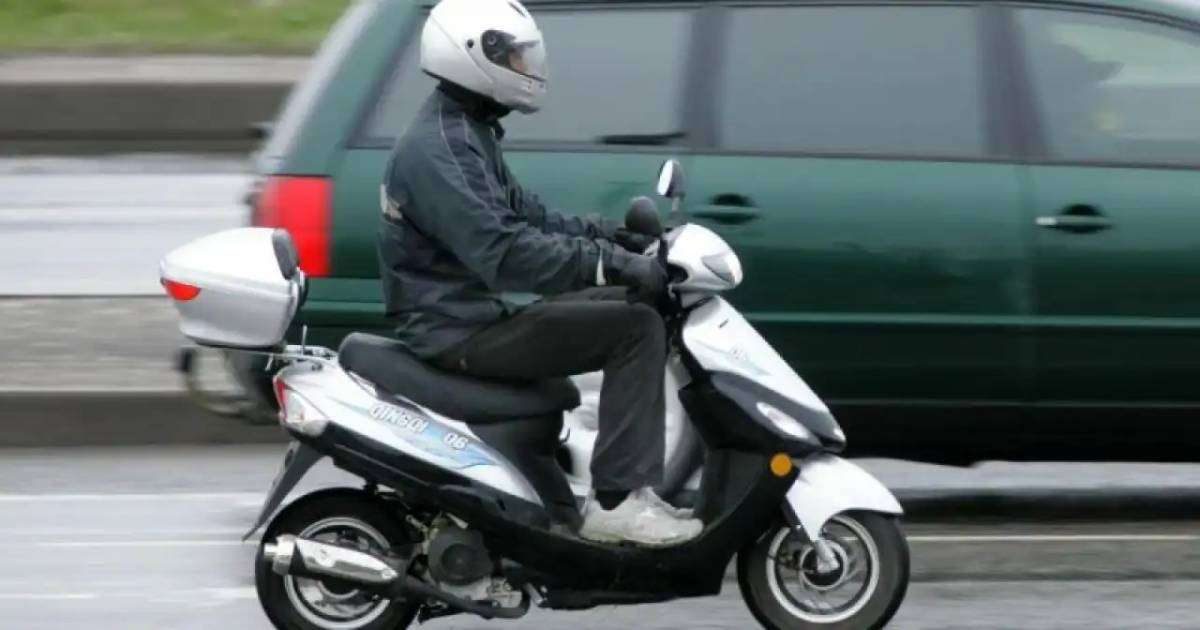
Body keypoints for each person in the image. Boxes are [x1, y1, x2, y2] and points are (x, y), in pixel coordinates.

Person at [376, 0, 701, 547]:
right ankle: (618, 501)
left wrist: (610, 239)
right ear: (475, 58)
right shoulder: (440, 151)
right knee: (634, 327)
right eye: (516, 57)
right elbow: (505, 253)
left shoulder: (463, 132)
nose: (529, 69)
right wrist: (608, 265)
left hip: (471, 318)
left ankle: (610, 494)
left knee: (634, 308)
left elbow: (527, 216)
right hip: (457, 332)